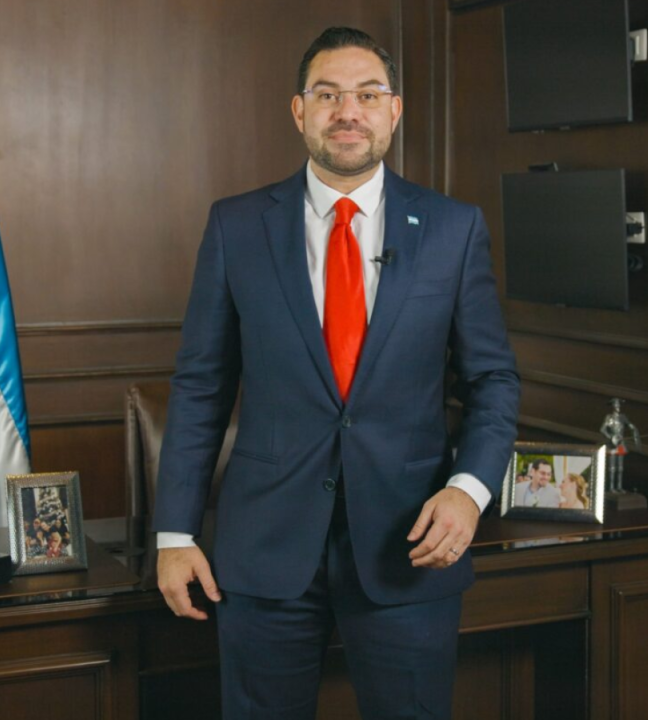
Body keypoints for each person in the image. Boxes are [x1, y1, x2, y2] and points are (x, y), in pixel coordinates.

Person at [152, 26, 520, 720]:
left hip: (410, 549)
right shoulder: (236, 227)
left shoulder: (453, 229)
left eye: (366, 94)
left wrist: (469, 492)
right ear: (299, 111)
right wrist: (174, 536)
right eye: (328, 95)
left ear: (394, 110)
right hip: (263, 553)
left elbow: (493, 380)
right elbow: (201, 387)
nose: (347, 111)